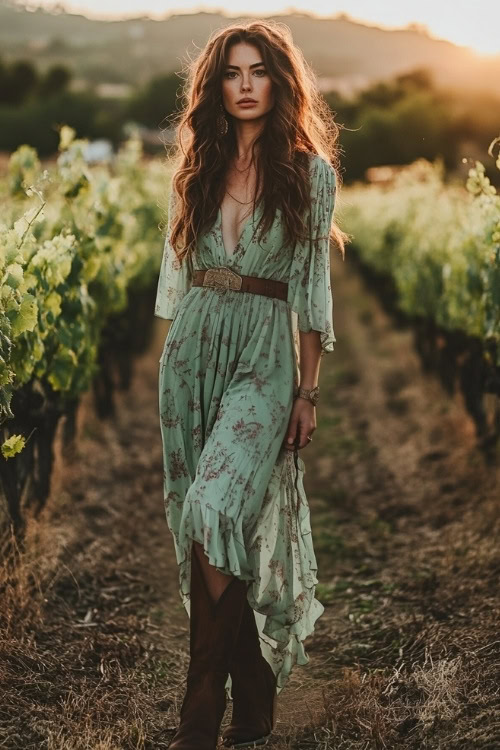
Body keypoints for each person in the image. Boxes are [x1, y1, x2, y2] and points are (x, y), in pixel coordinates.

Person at [155, 18, 347, 750]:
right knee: (197, 519)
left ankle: (200, 697)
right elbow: (177, 281)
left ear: (279, 80)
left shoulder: (310, 174)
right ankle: (251, 681)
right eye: (231, 72)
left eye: (257, 71)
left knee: (215, 503)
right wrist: (175, 353)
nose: (243, 85)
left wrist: (308, 389)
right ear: (216, 84)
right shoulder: (196, 165)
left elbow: (311, 286)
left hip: (264, 355)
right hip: (194, 350)